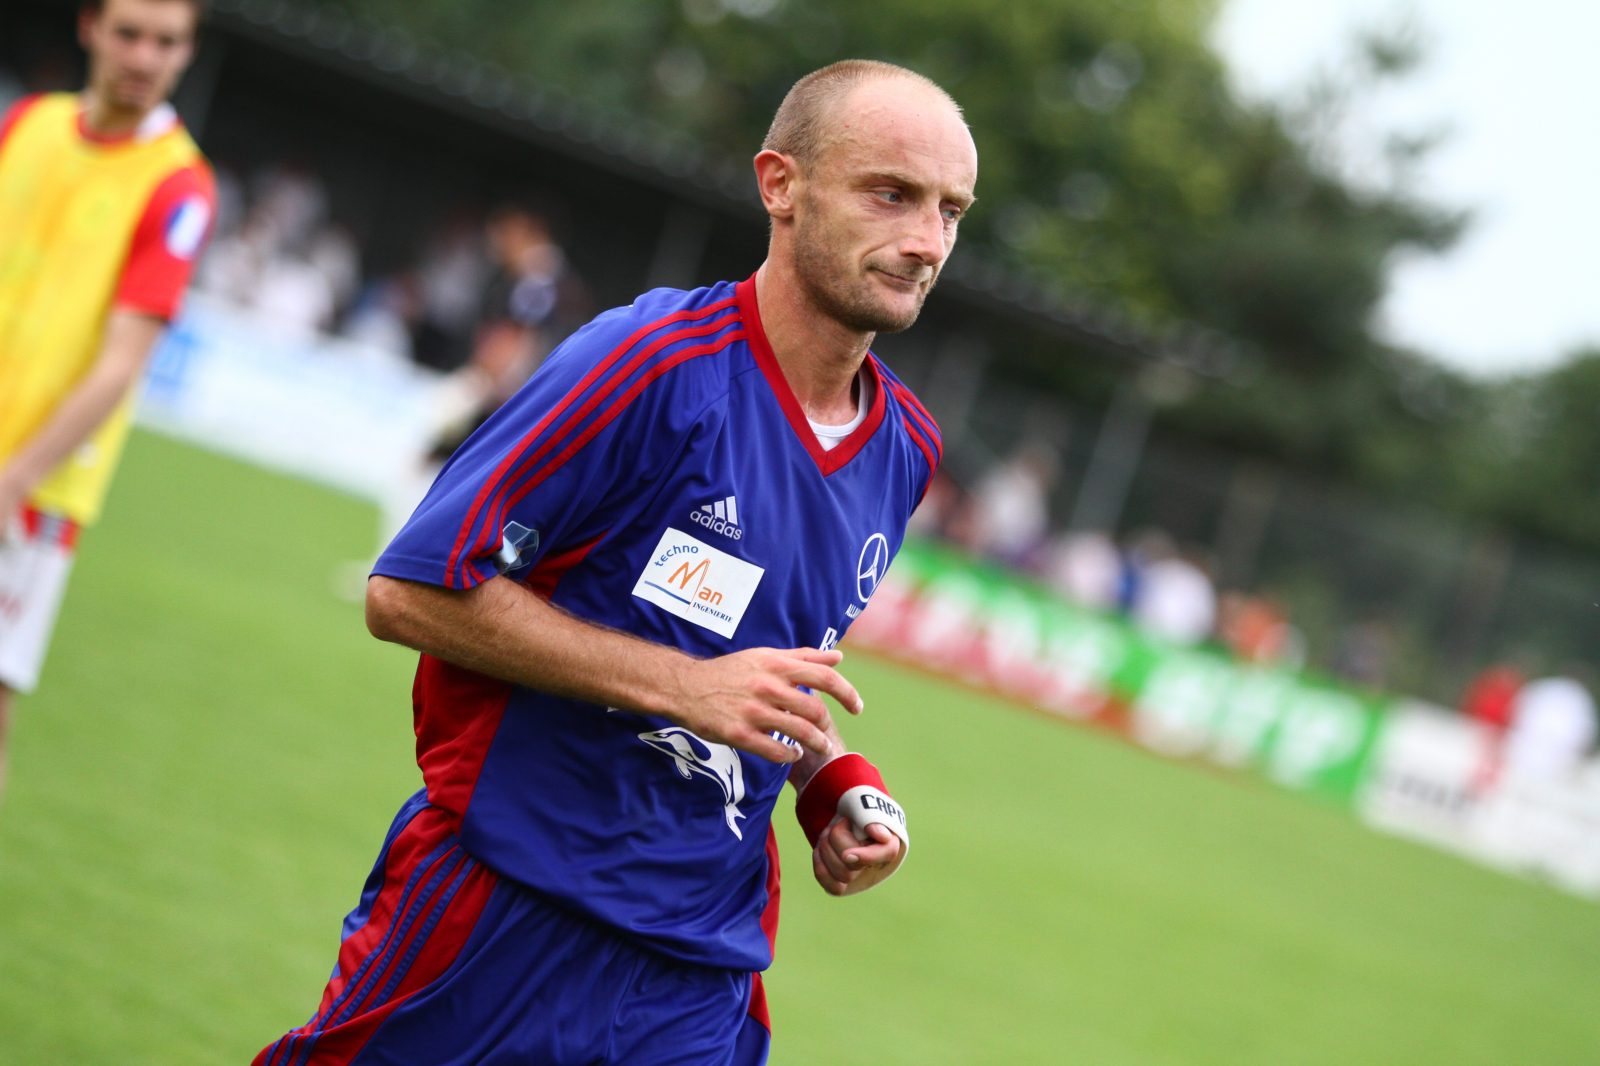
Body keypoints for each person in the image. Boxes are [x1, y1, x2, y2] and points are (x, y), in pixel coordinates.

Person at [255, 59, 976, 1065]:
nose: (926, 241)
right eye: (890, 194)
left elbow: (764, 664)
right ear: (781, 185)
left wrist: (829, 781)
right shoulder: (648, 362)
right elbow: (410, 591)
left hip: (699, 972)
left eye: (949, 210)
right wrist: (682, 686)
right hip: (503, 912)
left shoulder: (905, 448)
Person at [0, 0, 214, 798]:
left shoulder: (179, 186)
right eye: (129, 33)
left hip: (32, 489)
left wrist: (16, 479)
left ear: (187, 53)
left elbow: (122, 361)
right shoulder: (28, 123)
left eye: (166, 42)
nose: (144, 57)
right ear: (90, 27)